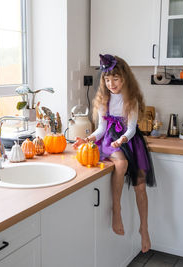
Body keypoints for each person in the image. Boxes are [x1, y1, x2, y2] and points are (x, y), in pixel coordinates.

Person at [73, 54, 156, 253]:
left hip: (129, 141)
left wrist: (123, 139)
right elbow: (101, 129)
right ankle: (116, 210)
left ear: (125, 78)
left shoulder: (131, 99)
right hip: (110, 140)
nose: (111, 84)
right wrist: (88, 139)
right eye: (107, 80)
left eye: (115, 79)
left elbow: (132, 129)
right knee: (121, 163)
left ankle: (144, 228)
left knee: (141, 187)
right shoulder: (104, 99)